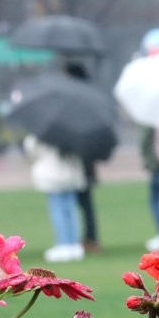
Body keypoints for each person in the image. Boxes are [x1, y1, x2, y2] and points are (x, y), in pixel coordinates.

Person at [23, 135, 85, 263]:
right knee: (70, 210)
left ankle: (63, 244)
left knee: (58, 210)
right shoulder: (72, 133)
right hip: (70, 174)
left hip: (53, 174)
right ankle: (73, 244)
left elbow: (32, 148)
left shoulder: (44, 134)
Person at [64, 60, 101, 254]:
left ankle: (85, 238)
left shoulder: (75, 102)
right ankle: (88, 238)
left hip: (79, 160)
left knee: (79, 201)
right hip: (86, 159)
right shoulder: (89, 99)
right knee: (84, 201)